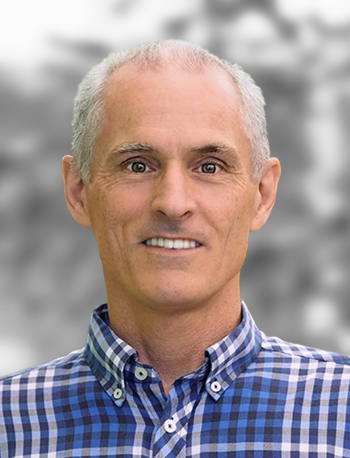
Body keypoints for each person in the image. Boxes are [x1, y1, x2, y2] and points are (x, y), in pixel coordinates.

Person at [0, 40, 349, 458]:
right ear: (78, 191)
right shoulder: (8, 423)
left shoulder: (341, 412)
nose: (174, 201)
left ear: (262, 193)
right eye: (137, 165)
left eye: (209, 166)